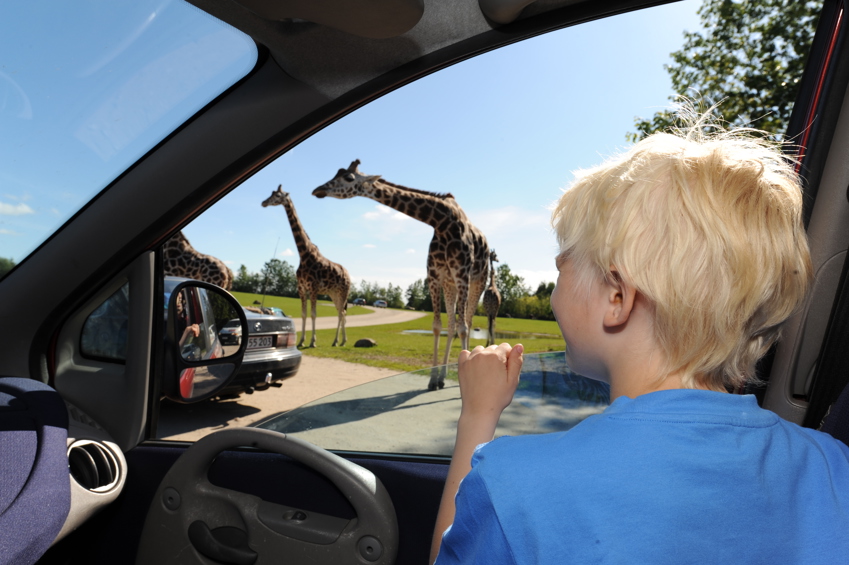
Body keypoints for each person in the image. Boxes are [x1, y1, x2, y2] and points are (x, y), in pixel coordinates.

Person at [429, 119, 849, 564]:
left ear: (617, 297)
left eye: (560, 268)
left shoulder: (515, 484)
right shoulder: (833, 467)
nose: (552, 289)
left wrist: (478, 414)